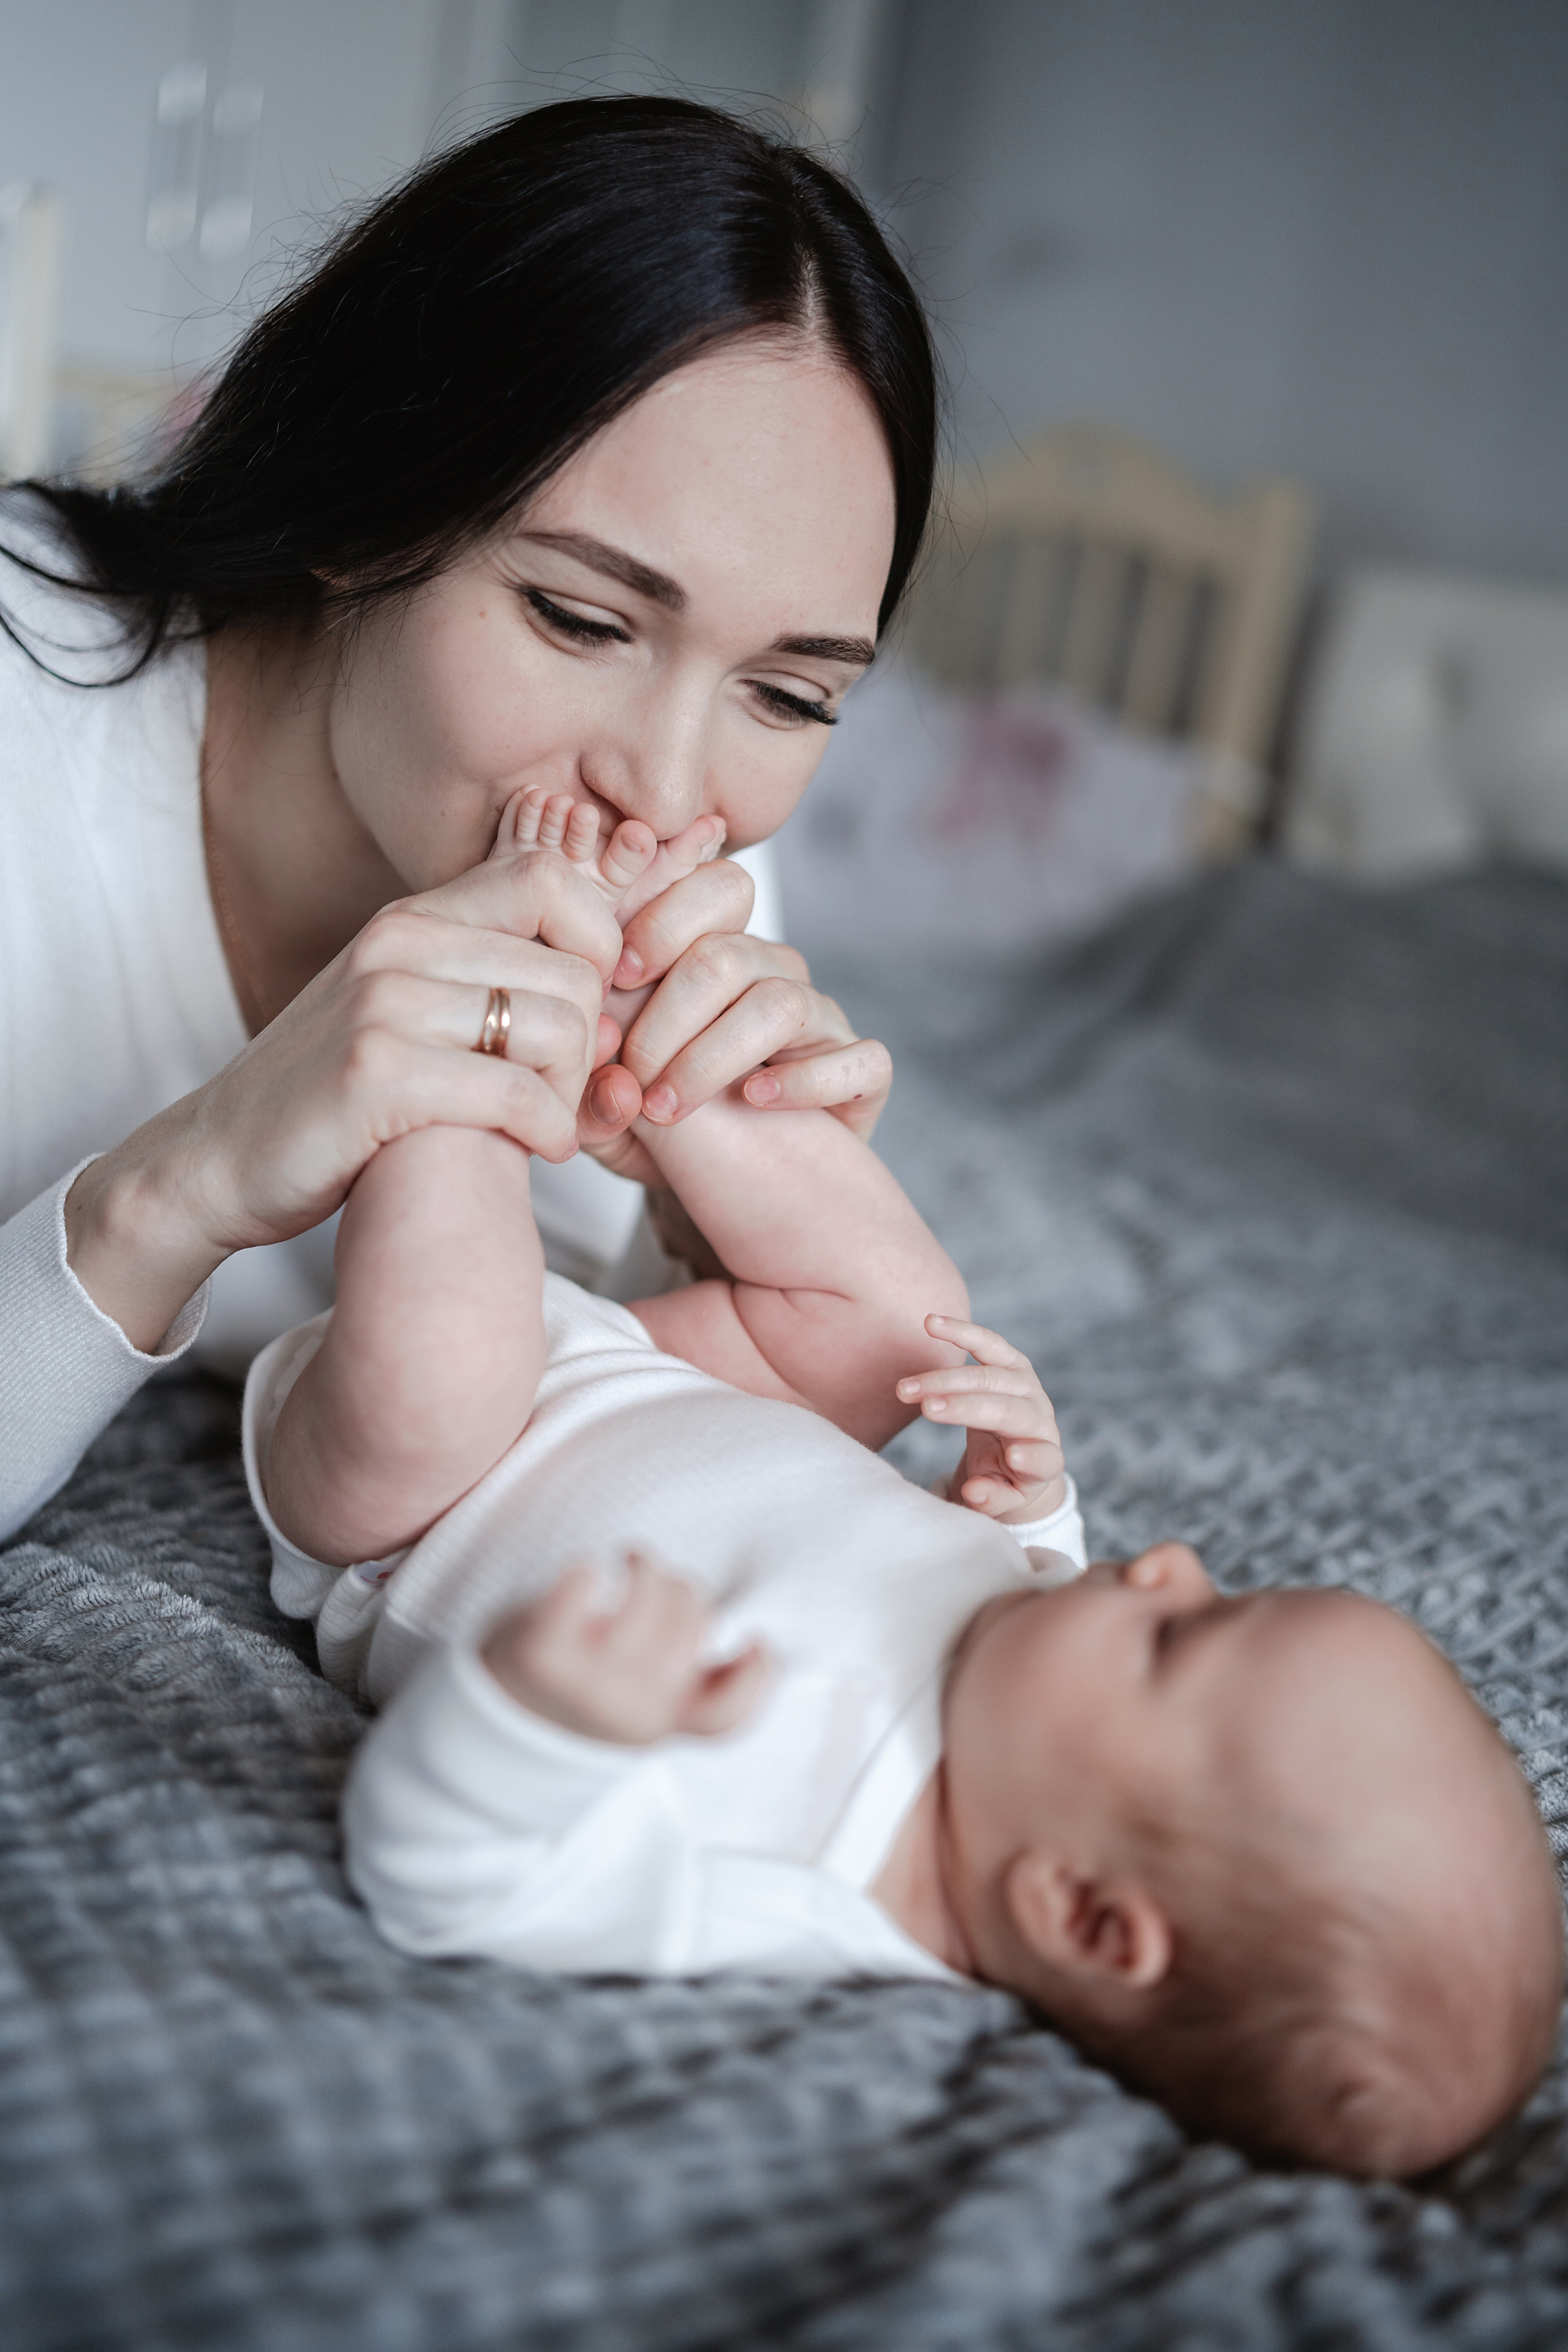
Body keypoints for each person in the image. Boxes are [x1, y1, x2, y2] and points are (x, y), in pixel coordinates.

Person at [244, 799, 1564, 2179]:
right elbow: (1030, 1571)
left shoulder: (796, 1884)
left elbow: (446, 1879)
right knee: (911, 1323)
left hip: (419, 1498)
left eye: (1180, 1637)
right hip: (660, 1372)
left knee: (445, 1363)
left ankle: (482, 1020)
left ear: (1080, 1917)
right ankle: (647, 1025)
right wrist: (1022, 1496)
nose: (1169, 1562)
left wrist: (537, 1722)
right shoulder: (1040, 1688)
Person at [0, 94, 937, 1538]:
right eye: (578, 617)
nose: (674, 795)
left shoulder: (685, 878)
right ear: (364, 503)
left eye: (788, 696)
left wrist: (700, 1254)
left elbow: (548, 1494)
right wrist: (166, 1198)